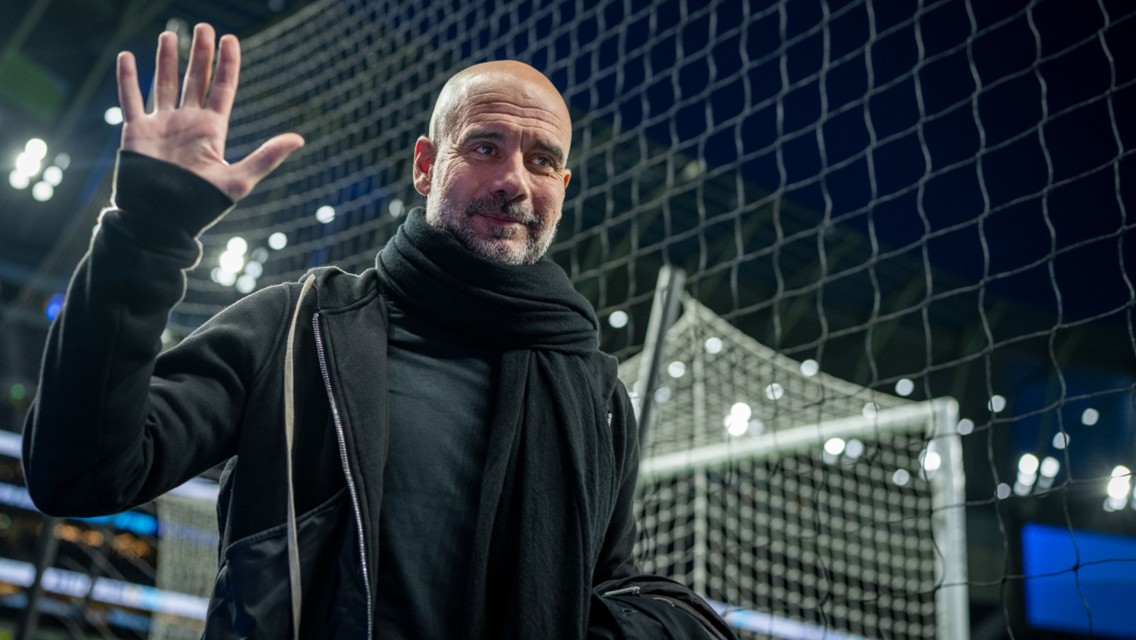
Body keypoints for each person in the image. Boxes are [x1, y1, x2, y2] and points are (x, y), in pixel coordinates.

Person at [21, 23, 736, 640]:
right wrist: (145, 235)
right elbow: (79, 472)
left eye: (541, 160)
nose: (515, 181)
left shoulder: (595, 393)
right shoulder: (297, 328)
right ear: (426, 166)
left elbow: (604, 581)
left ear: (562, 187)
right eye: (485, 147)